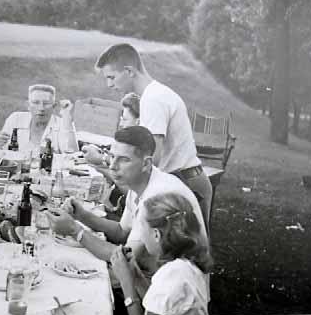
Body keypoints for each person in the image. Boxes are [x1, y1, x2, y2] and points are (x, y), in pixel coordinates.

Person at [45, 126, 206, 265]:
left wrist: (75, 230)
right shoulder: (140, 181)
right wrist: (82, 215)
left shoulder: (156, 197)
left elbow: (127, 257)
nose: (113, 166)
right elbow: (122, 231)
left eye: (123, 160)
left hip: (172, 290)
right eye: (112, 156)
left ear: (146, 164)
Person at [94, 43, 213, 230]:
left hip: (183, 182)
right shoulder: (154, 94)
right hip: (185, 177)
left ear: (129, 71)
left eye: (111, 77)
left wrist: (103, 164)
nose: (109, 84)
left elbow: (150, 162)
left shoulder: (153, 100)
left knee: (181, 251)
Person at [110, 193, 212, 315]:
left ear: (156, 234)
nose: (141, 236)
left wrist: (126, 283)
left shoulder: (173, 275)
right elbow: (158, 306)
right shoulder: (183, 265)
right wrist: (136, 277)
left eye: (142, 228)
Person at [84, 92, 141, 220]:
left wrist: (101, 164)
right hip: (116, 205)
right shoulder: (129, 143)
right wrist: (100, 163)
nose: (121, 123)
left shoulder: (139, 152)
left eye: (125, 119)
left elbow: (132, 192)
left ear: (138, 122)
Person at [0, 84, 78, 154]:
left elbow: (73, 155)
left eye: (46, 103)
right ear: (28, 105)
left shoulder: (62, 123)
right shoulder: (15, 119)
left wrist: (67, 118)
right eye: (36, 103)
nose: (41, 108)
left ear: (54, 106)